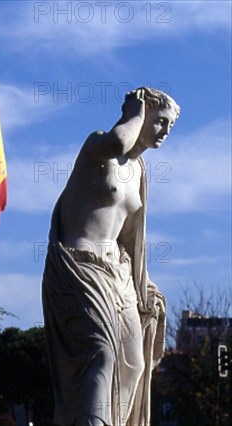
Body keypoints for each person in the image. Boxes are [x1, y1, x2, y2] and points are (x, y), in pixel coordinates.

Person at [42, 87, 180, 425]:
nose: (164, 132)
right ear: (142, 114)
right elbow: (120, 142)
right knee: (100, 353)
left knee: (134, 362)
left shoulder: (139, 172)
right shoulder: (99, 147)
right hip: (80, 265)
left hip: (118, 273)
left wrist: (143, 285)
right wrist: (136, 112)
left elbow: (132, 238)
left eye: (169, 127)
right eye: (160, 121)